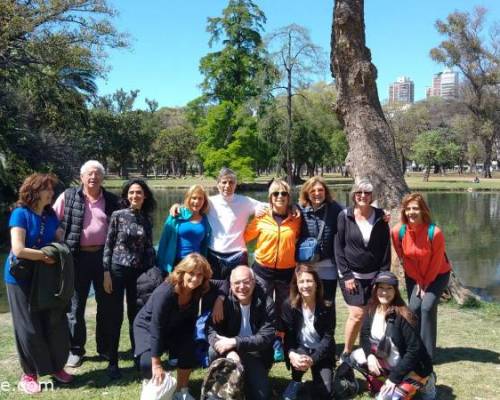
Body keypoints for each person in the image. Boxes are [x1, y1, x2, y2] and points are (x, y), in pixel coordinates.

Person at [5, 173, 73, 394]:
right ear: (35, 190)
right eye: (48, 189)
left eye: (52, 189)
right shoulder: (20, 214)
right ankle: (29, 374)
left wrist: (60, 244)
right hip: (20, 278)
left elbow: (58, 240)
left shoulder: (49, 215)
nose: (52, 193)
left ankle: (55, 368)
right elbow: (18, 249)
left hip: (44, 277)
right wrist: (45, 256)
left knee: (52, 323)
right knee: (28, 327)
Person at [53, 160, 119, 368]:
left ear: (102, 177)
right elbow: (53, 219)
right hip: (76, 258)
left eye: (97, 174)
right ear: (81, 177)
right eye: (89, 174)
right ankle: (76, 350)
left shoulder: (111, 200)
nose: (93, 177)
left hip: (104, 258)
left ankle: (105, 347)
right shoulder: (68, 196)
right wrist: (58, 241)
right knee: (75, 305)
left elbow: (129, 216)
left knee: (106, 305)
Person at [133, 253, 224, 400]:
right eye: (191, 273)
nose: (195, 279)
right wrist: (156, 363)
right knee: (146, 364)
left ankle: (181, 390)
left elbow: (226, 284)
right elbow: (156, 327)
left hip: (175, 326)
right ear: (182, 272)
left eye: (200, 275)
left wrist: (220, 299)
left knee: (188, 347)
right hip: (148, 326)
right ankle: (152, 384)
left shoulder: (200, 287)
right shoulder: (166, 292)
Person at [350, 271, 435, 400]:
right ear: (375, 289)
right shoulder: (372, 309)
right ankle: (383, 381)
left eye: (389, 288)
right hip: (389, 362)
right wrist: (370, 356)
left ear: (396, 291)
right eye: (381, 288)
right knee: (355, 356)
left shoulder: (404, 315)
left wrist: (394, 379)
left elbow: (414, 350)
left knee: (385, 399)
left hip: (411, 368)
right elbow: (364, 336)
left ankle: (427, 381)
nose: (384, 292)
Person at [102, 179, 156, 379]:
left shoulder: (147, 219)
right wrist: (106, 272)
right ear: (126, 196)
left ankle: (138, 355)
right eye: (132, 193)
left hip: (140, 273)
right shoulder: (117, 216)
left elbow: (149, 249)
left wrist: (153, 274)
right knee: (115, 316)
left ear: (145, 196)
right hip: (117, 270)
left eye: (139, 193)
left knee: (137, 316)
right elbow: (108, 245)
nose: (135, 196)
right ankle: (112, 362)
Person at [170, 167, 266, 280]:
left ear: (236, 184)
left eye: (231, 182)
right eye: (224, 182)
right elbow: (191, 206)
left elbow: (272, 206)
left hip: (238, 255)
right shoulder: (209, 202)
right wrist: (177, 206)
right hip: (213, 255)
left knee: (239, 291)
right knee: (213, 291)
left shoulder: (246, 202)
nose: (227, 186)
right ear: (218, 184)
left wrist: (290, 207)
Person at [335, 178, 391, 359]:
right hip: (352, 276)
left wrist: (382, 276)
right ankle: (347, 351)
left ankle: (366, 352)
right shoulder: (345, 216)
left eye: (367, 193)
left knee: (369, 315)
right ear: (353, 195)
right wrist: (346, 275)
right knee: (357, 314)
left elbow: (385, 247)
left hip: (374, 277)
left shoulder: (381, 216)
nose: (363, 196)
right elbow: (338, 246)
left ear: (372, 196)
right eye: (359, 192)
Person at [391, 193, 451, 360]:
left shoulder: (435, 233)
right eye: (408, 209)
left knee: (427, 307)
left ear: (423, 210)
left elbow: (436, 262)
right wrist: (418, 281)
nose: (411, 212)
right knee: (413, 309)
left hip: (438, 275)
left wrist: (425, 285)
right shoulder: (398, 232)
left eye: (415, 208)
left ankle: (427, 355)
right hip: (414, 276)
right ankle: (414, 348)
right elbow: (405, 259)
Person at [207, 265, 276, 400]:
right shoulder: (223, 302)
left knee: (262, 396)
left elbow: (266, 337)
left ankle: (243, 379)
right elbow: (211, 330)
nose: (242, 286)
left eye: (246, 282)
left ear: (254, 282)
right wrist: (230, 351)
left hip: (255, 354)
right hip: (230, 352)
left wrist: (235, 342)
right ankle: (222, 379)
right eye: (237, 283)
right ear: (231, 285)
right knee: (212, 350)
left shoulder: (266, 303)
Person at [244, 178, 301, 322]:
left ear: (289, 197)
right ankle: (265, 341)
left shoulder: (297, 218)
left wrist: (296, 207)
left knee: (286, 308)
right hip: (263, 271)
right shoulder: (262, 217)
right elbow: (244, 236)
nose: (280, 197)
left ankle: (284, 340)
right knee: (263, 307)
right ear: (270, 197)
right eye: (275, 194)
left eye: (284, 193)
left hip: (286, 272)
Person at [281, 264, 335, 400]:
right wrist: (291, 353)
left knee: (325, 393)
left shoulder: (327, 305)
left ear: (317, 283)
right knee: (299, 359)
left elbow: (328, 338)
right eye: (301, 281)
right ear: (296, 285)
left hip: (321, 351)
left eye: (309, 281)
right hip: (301, 348)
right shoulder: (289, 305)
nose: (306, 285)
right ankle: (296, 381)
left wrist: (314, 358)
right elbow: (289, 335)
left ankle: (315, 383)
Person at [297, 176, 344, 319]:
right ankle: (307, 337)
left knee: (328, 303)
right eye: (313, 190)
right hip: (307, 267)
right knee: (307, 303)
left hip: (328, 266)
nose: (317, 193)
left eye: (320, 190)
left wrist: (381, 214)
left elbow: (355, 215)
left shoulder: (335, 208)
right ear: (307, 193)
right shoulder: (299, 209)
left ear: (325, 191)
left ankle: (328, 338)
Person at [157, 184, 211, 274]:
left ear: (204, 201)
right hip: (176, 263)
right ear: (188, 199)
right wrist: (161, 265)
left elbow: (204, 245)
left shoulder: (205, 218)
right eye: (194, 198)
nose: (197, 201)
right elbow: (164, 241)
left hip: (195, 264)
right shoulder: (177, 214)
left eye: (200, 198)